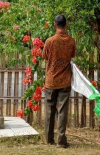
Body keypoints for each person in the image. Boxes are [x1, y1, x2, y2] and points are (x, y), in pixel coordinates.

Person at [42, 14, 76, 148]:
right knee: (62, 111)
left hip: (51, 80)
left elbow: (45, 56)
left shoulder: (50, 41)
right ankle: (61, 141)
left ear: (55, 25)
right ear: (66, 25)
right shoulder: (71, 41)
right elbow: (72, 55)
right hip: (65, 80)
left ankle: (49, 139)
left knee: (49, 110)